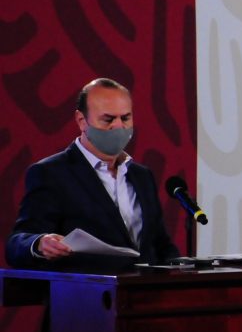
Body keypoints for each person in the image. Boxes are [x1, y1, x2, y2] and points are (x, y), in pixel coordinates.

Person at [5, 77, 179, 271]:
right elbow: (16, 244)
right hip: (83, 296)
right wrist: (39, 243)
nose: (118, 126)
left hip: (142, 296)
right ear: (82, 121)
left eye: (125, 118)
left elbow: (161, 245)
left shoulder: (142, 176)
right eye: (108, 119)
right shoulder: (51, 173)